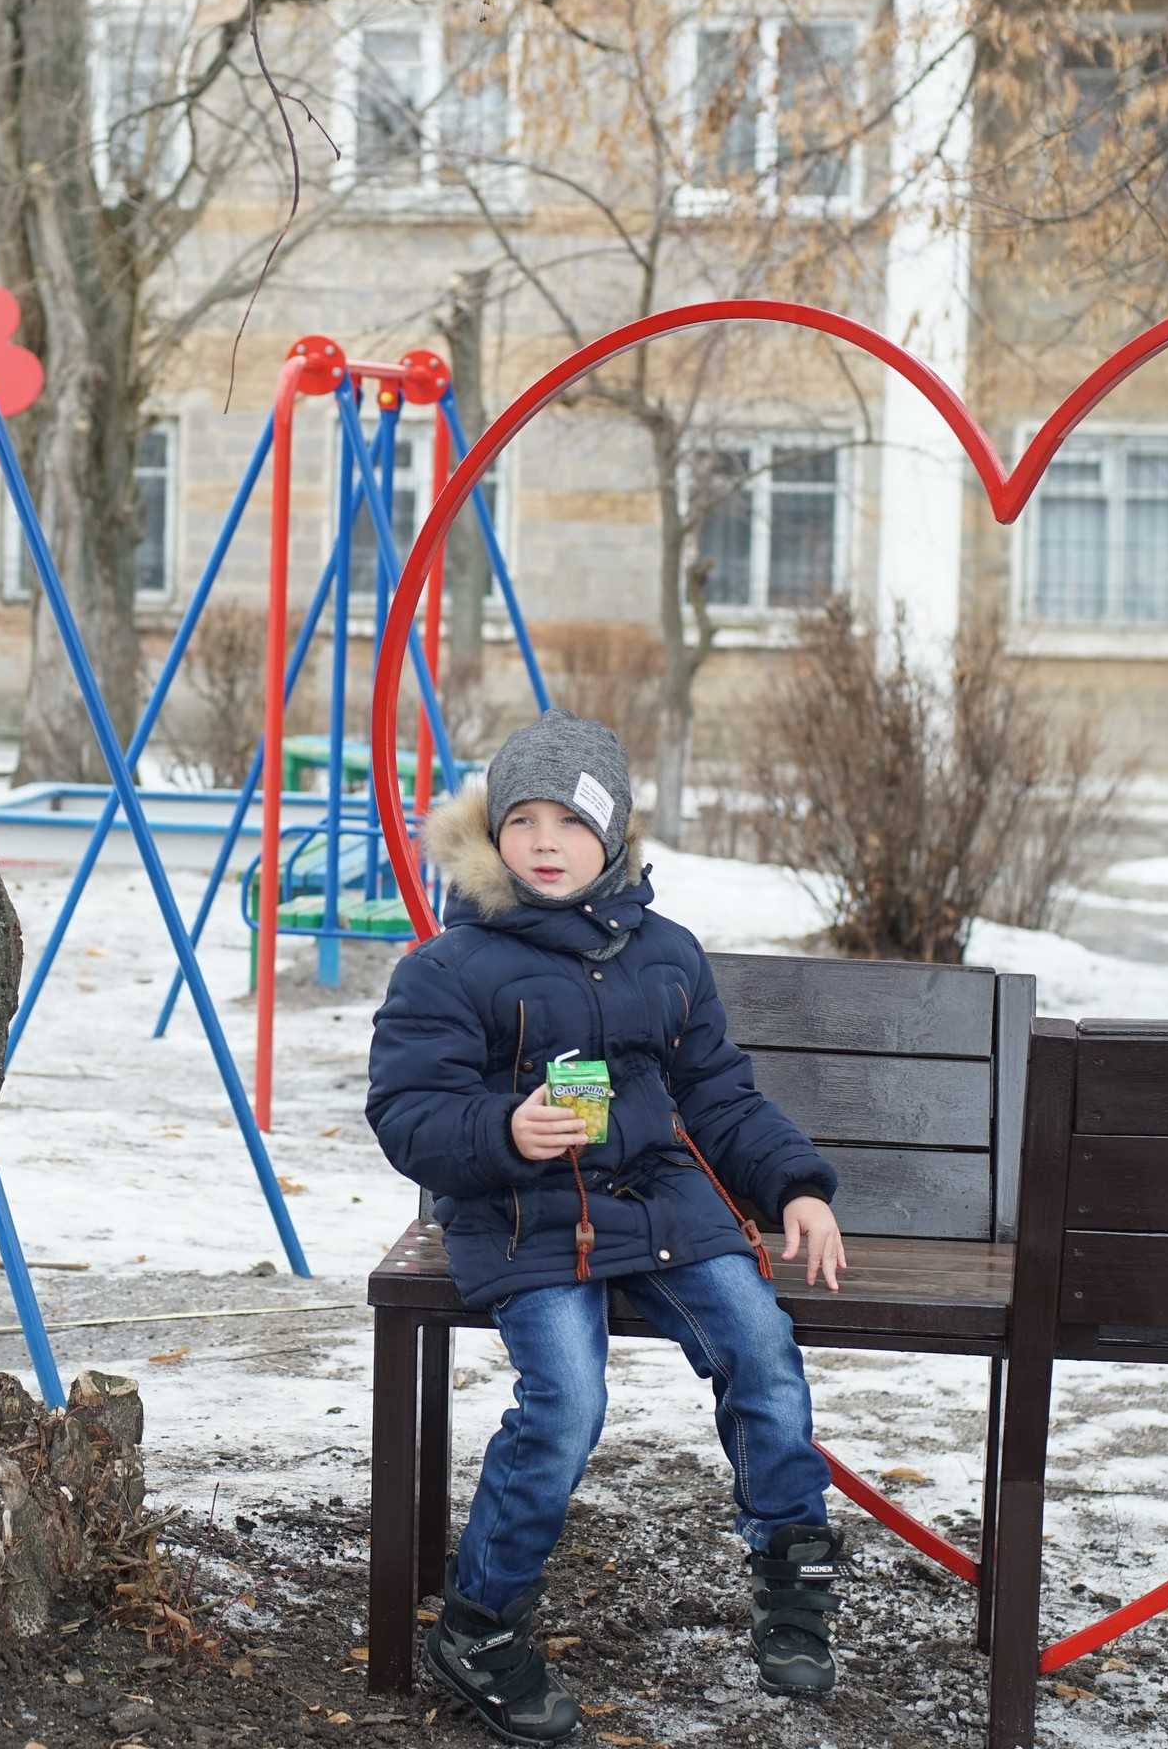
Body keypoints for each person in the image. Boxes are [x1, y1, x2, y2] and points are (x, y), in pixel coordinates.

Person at [366, 711, 851, 1741]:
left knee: (762, 1345)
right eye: (523, 818)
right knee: (566, 1399)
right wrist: (505, 1128)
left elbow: (718, 1093)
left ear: (615, 833)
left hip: (662, 1204)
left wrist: (796, 1182)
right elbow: (408, 1112)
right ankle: (483, 1621)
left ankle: (792, 1572)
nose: (545, 840)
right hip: (524, 1215)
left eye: (571, 821)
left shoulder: (664, 952)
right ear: (493, 832)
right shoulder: (451, 967)